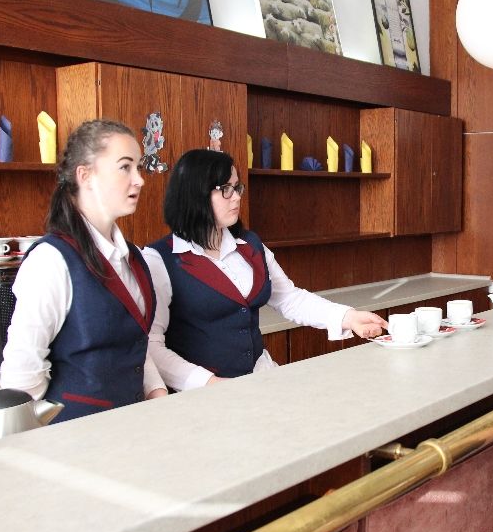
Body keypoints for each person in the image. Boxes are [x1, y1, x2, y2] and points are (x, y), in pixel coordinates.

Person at [144, 148, 386, 389]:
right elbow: (152, 345)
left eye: (237, 187)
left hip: (261, 376)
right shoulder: (159, 259)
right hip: (203, 394)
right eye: (226, 189)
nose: (236, 197)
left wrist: (348, 317)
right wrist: (209, 383)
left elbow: (289, 298)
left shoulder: (250, 245)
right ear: (195, 193)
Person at [0, 119, 166, 422]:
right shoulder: (51, 261)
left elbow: (134, 346)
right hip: (76, 432)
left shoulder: (133, 258)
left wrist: (157, 393)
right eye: (125, 167)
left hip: (133, 428)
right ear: (85, 175)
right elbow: (22, 377)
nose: (139, 180)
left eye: (139, 167)